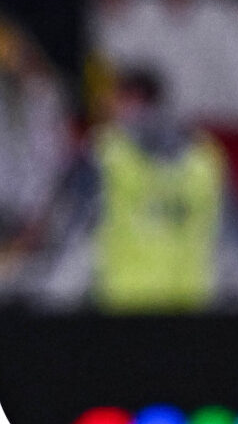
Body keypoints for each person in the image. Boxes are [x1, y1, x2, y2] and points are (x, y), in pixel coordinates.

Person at [91, 69, 225, 312]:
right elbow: (229, 239)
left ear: (135, 98)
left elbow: (77, 234)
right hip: (190, 302)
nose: (109, 108)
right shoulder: (205, 157)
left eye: (116, 100)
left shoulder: (107, 153)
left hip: (124, 302)